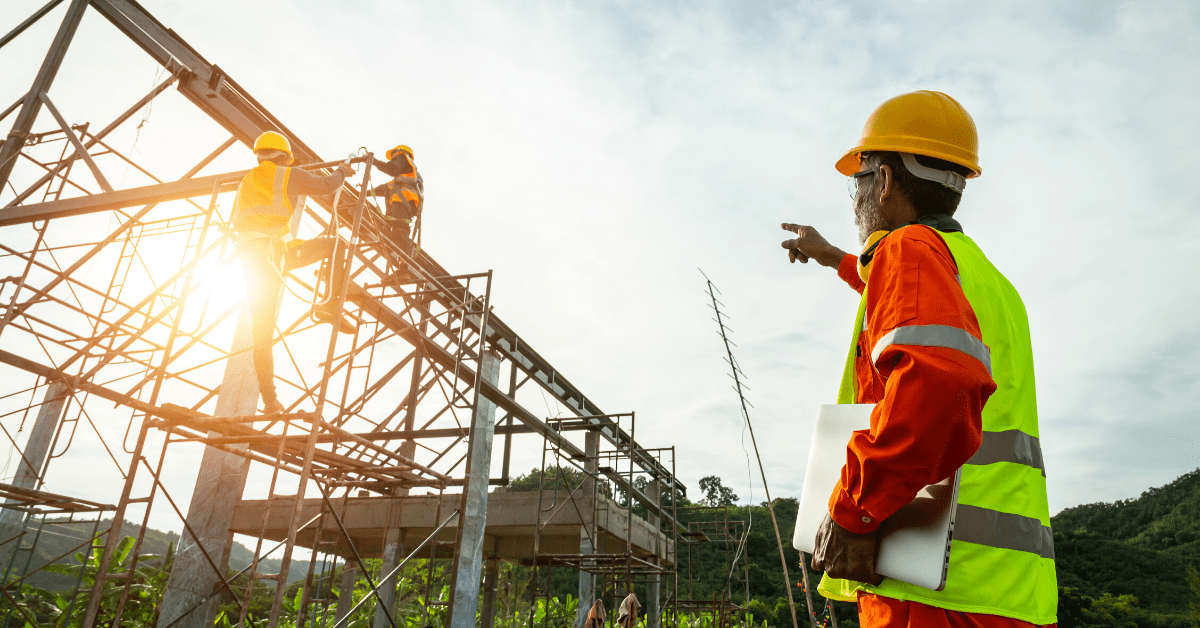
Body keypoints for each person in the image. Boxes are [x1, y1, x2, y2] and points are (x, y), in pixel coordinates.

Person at [780, 91, 1057, 627]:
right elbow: (902, 302)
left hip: (929, 593)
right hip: (1007, 593)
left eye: (856, 182)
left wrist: (856, 509)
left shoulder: (906, 250)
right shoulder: (990, 282)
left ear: (883, 182)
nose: (855, 198)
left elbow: (937, 383)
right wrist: (835, 256)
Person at [232, 131, 357, 415]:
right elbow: (326, 186)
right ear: (285, 157)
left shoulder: (246, 181)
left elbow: (240, 219)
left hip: (253, 260)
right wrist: (343, 171)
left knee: (261, 334)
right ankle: (331, 304)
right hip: (279, 255)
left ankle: (270, 401)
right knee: (338, 245)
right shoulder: (288, 174)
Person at [370, 144, 424, 254]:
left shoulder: (402, 156)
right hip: (408, 201)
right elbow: (385, 188)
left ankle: (404, 263)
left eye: (393, 155)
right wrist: (365, 192)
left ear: (399, 152)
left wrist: (374, 161)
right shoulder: (408, 176)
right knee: (398, 229)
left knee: (400, 230)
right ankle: (392, 247)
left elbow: (392, 169)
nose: (393, 158)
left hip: (403, 199)